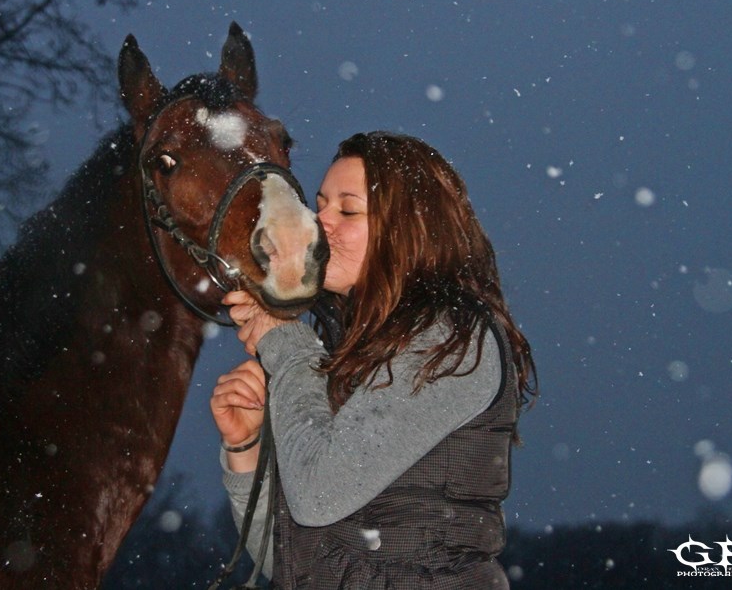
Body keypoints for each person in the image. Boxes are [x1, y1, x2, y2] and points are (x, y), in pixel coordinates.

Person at [210, 131, 537, 588]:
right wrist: (246, 449)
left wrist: (285, 342)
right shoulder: (358, 354)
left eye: (347, 210)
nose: (316, 222)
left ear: (410, 229)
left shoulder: (452, 339)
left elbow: (318, 496)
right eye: (319, 204)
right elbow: (298, 565)